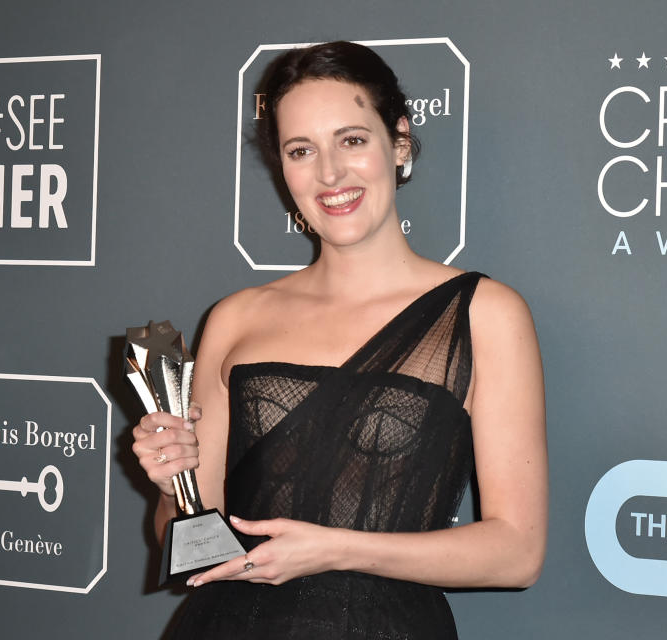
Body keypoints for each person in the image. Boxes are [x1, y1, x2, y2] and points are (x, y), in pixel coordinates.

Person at [132, 41, 547, 639]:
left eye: (351, 140)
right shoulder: (235, 318)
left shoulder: (484, 314)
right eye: (302, 150)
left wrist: (334, 550)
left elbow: (517, 553)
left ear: (399, 141)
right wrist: (174, 482)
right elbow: (197, 542)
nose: (329, 173)